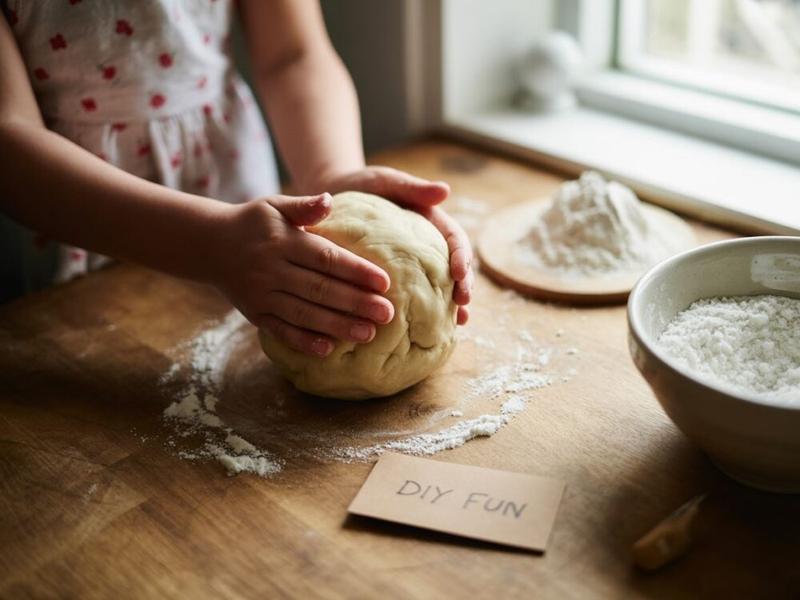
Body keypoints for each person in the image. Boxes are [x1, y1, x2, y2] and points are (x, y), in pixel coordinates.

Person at [0, 0, 473, 358]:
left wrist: (336, 179)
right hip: (72, 215)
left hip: (237, 202)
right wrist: (209, 244)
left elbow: (293, 54)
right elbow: (9, 135)